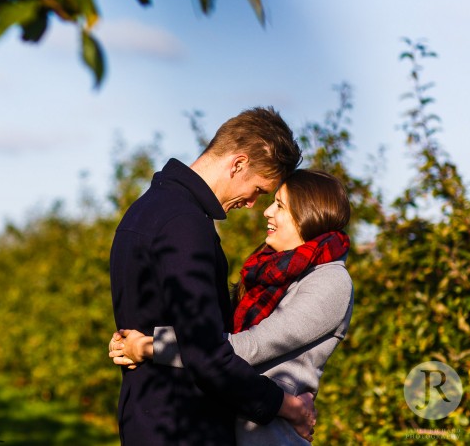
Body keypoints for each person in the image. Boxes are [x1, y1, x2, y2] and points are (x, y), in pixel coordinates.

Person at [109, 107, 314, 446]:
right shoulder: (184, 225)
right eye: (260, 190)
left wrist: (141, 344)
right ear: (238, 164)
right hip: (183, 425)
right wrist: (286, 405)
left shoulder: (147, 209)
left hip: (146, 416)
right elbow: (205, 354)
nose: (252, 204)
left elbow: (159, 322)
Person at [111, 169, 354, 445]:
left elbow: (248, 347)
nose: (267, 212)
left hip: (272, 436)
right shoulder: (269, 273)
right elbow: (213, 332)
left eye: (280, 205)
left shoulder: (330, 281)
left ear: (310, 213)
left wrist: (148, 346)